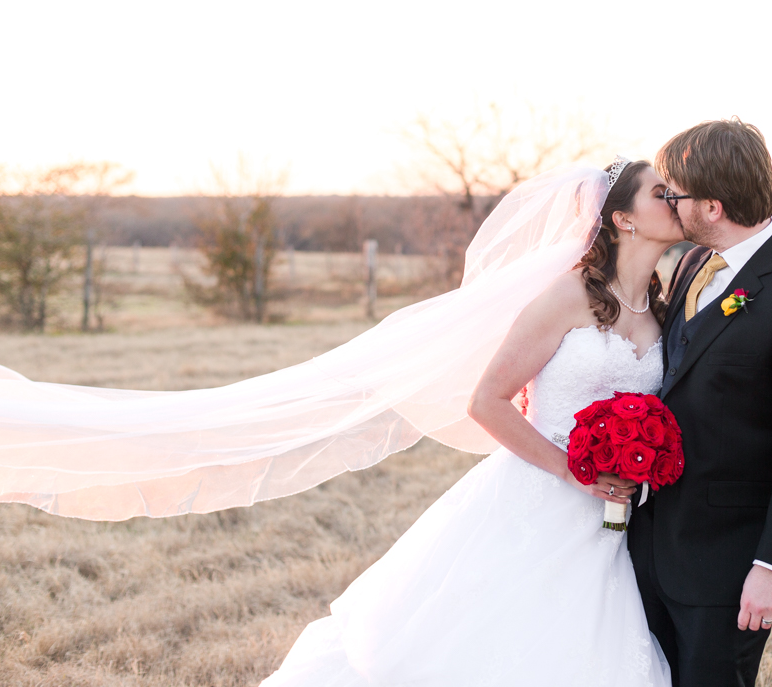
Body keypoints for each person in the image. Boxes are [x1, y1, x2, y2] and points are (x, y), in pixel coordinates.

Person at [258, 158, 683, 686]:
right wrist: (571, 470)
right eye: (661, 193)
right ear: (624, 219)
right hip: (535, 501)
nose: (676, 201)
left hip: (608, 523)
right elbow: (487, 401)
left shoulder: (662, 306)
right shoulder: (568, 294)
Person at [627, 118, 772, 687]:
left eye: (674, 195)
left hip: (727, 565)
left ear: (712, 207)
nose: (667, 205)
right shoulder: (690, 265)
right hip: (647, 546)